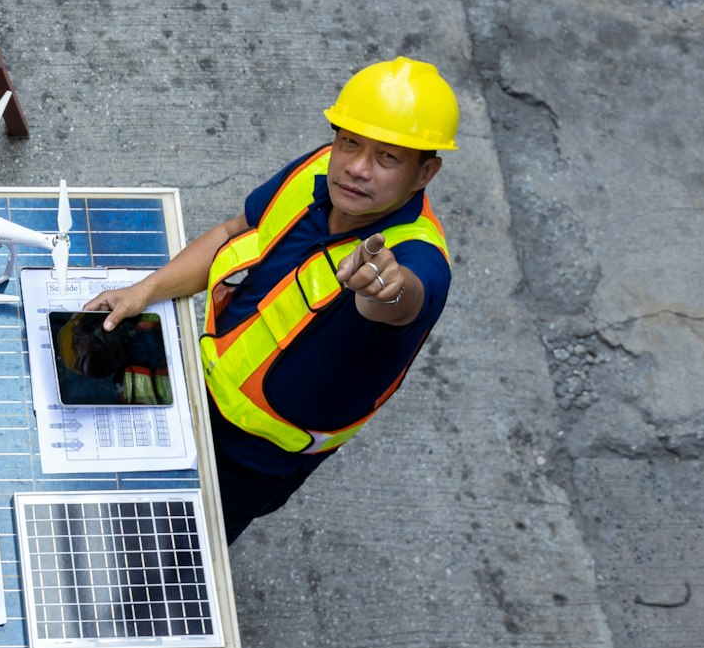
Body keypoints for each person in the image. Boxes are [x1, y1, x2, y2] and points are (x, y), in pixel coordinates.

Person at [85, 58, 459, 541]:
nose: (356, 168)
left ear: (425, 172)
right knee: (121, 498)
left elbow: (402, 298)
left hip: (251, 462)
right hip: (196, 387)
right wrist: (145, 290)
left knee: (178, 555)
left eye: (387, 158)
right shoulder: (317, 172)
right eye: (349, 142)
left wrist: (383, 286)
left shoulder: (417, 259)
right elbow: (232, 232)